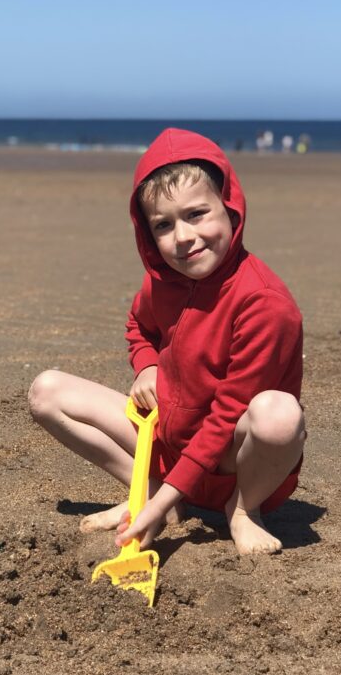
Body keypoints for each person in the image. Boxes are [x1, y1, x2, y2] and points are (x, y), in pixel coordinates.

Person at [29, 128, 306, 556]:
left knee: (279, 415)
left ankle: (242, 512)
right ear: (147, 234)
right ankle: (152, 492)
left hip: (237, 463)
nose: (183, 237)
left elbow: (226, 416)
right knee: (46, 392)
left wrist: (158, 507)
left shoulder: (264, 303)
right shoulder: (161, 282)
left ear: (230, 209)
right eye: (164, 224)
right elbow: (138, 326)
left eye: (197, 214)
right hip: (170, 443)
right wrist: (147, 366)